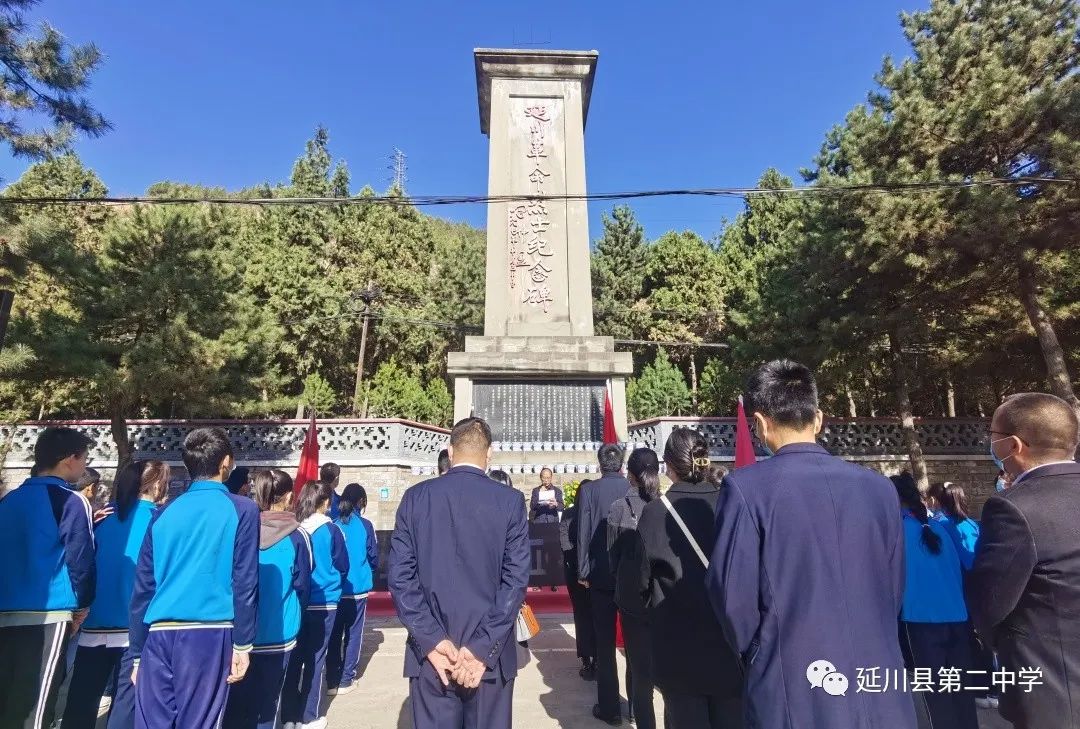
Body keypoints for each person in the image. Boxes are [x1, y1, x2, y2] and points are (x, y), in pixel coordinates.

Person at [707, 359, 916, 729]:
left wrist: (759, 653)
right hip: (879, 680)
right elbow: (893, 588)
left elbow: (731, 595)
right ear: (818, 418)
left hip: (793, 684)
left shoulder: (747, 489)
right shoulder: (879, 488)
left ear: (759, 423)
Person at [388, 417, 529, 729]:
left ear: (450, 451)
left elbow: (399, 578)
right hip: (489, 661)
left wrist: (432, 639)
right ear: (489, 454)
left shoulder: (416, 498)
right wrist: (479, 650)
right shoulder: (510, 501)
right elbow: (515, 582)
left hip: (432, 658)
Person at [128, 427, 259, 729]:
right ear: (226, 462)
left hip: (157, 634)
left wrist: (137, 653)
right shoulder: (242, 509)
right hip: (209, 632)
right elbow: (244, 580)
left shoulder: (163, 513)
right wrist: (243, 644)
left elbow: (144, 586)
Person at [968, 392, 1080, 729]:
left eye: (992, 436)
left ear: (1013, 445)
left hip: (1053, 692)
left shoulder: (1015, 507)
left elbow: (989, 602)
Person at [623, 429, 740, 729]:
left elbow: (641, 585)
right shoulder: (732, 504)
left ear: (668, 465)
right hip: (730, 644)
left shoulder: (655, 513)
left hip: (679, 648)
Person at [63, 460, 170, 729]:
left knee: (81, 702)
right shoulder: (160, 521)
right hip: (134, 627)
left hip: (93, 622)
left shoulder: (101, 518)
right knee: (125, 706)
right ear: (157, 484)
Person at [0, 427, 95, 728]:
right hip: (47, 614)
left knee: (8, 702)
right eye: (83, 459)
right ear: (70, 459)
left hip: (6, 612)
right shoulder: (71, 501)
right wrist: (82, 607)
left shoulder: (9, 501)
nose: (83, 467)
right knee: (38, 708)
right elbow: (81, 561)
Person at [223, 468, 312, 729]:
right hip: (280, 633)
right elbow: (303, 585)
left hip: (240, 635)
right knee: (269, 708)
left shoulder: (239, 529)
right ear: (288, 497)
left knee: (237, 708)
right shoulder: (297, 536)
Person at [893, 473, 978, 729]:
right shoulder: (939, 528)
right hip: (957, 618)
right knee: (961, 688)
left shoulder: (897, 532)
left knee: (934, 692)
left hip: (920, 620)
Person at [282, 481, 349, 729]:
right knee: (316, 660)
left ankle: (288, 715)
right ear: (324, 503)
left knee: (295, 659)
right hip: (326, 601)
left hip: (300, 601)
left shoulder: (295, 528)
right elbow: (342, 565)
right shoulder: (331, 531)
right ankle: (308, 716)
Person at [577, 443, 631, 726]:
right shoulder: (631, 486)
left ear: (600, 464)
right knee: (634, 643)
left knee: (605, 642)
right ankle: (635, 705)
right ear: (622, 464)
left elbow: (583, 533)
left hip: (599, 576)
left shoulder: (589, 491)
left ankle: (609, 708)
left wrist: (583, 570)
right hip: (630, 576)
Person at [607, 448, 660, 729]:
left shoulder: (619, 508)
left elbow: (612, 555)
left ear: (629, 474)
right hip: (662, 598)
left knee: (636, 664)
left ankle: (637, 716)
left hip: (630, 598)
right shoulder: (664, 505)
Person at [327, 484, 379, 695]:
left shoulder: (333, 525)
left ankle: (331, 680)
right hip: (357, 589)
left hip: (336, 590)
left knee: (333, 634)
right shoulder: (365, 525)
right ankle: (347, 679)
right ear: (361, 502)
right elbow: (373, 556)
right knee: (354, 634)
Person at [559, 481, 596, 680]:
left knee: (588, 616)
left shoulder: (591, 513)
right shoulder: (569, 514)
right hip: (578, 572)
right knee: (582, 616)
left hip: (586, 572)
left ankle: (594, 657)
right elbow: (564, 540)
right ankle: (586, 658)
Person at [927, 481, 980, 568]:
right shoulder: (970, 522)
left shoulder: (937, 524)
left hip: (959, 574)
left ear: (933, 500)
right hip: (978, 570)